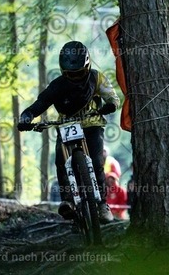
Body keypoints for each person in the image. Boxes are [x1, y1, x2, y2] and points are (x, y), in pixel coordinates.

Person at [17, 41, 120, 224]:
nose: (76, 78)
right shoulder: (57, 85)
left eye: (80, 73)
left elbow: (111, 96)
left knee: (97, 161)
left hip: (92, 124)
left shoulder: (97, 78)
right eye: (71, 74)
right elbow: (42, 102)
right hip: (66, 125)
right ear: (63, 71)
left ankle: (102, 204)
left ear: (87, 66)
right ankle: (68, 201)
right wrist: (27, 115)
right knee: (61, 162)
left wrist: (111, 104)